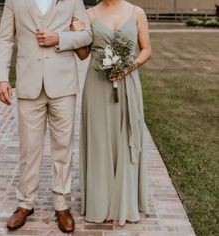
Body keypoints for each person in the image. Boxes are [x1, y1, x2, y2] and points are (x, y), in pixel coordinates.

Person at [0, 0, 92, 233]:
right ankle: (25, 204)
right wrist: (1, 78)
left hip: (63, 85)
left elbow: (88, 35)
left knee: (62, 148)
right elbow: (5, 39)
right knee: (28, 149)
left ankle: (62, 205)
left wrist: (60, 38)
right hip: (29, 84)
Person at [70, 0, 151, 225]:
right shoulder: (89, 14)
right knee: (99, 141)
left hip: (128, 83)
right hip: (97, 85)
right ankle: (100, 201)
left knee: (125, 138)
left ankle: (125, 200)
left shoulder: (137, 12)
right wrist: (74, 32)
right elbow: (84, 54)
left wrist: (129, 66)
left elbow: (146, 49)